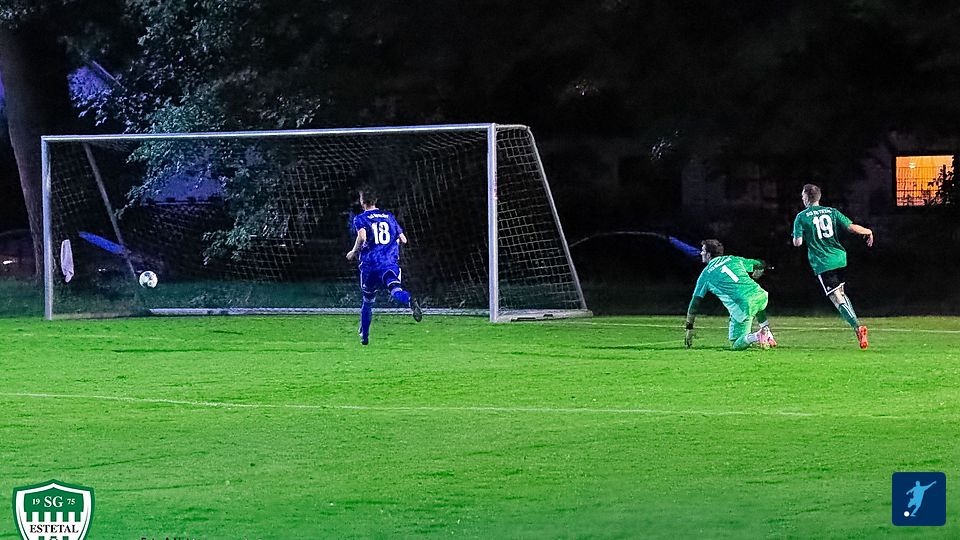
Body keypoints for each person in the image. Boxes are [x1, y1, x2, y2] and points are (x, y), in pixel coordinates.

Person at [792, 184, 873, 349]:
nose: (802, 198)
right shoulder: (832, 211)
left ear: (806, 197)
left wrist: (799, 235)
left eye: (802, 196)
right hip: (840, 258)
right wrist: (868, 231)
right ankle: (857, 329)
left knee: (836, 298)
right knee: (841, 293)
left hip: (824, 262)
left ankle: (858, 327)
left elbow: (798, 242)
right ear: (819, 197)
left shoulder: (801, 216)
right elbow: (851, 227)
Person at [346, 186, 422, 345]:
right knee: (395, 289)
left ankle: (364, 336)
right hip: (388, 263)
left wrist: (353, 252)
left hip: (370, 265)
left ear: (362, 201)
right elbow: (403, 239)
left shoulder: (360, 218)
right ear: (375, 200)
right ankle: (409, 300)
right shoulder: (389, 216)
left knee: (368, 301)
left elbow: (362, 237)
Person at [685, 239, 776, 350]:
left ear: (708, 255)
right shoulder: (733, 259)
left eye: (703, 251)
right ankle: (768, 334)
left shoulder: (706, 274)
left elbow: (695, 303)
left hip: (744, 305)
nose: (701, 253)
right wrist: (760, 269)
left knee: (735, 344)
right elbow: (759, 263)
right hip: (761, 295)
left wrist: (689, 327)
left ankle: (757, 336)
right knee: (757, 305)